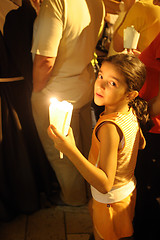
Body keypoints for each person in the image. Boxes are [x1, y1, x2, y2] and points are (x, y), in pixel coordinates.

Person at [47, 54, 152, 240]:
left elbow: (104, 185)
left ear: (130, 94)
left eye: (112, 83)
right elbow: (140, 143)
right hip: (126, 191)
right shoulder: (130, 111)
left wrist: (69, 149)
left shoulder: (109, 128)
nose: (100, 85)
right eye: (101, 75)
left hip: (110, 202)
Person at [31, 0, 105, 206]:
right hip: (83, 83)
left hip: (57, 91)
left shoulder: (56, 2)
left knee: (62, 153)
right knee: (84, 147)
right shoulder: (96, 2)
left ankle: (73, 198)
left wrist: (37, 90)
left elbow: (45, 59)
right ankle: (91, 192)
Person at [0, 0, 54, 222]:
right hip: (19, 86)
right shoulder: (21, 10)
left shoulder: (17, 12)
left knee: (17, 143)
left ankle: (27, 195)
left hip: (16, 88)